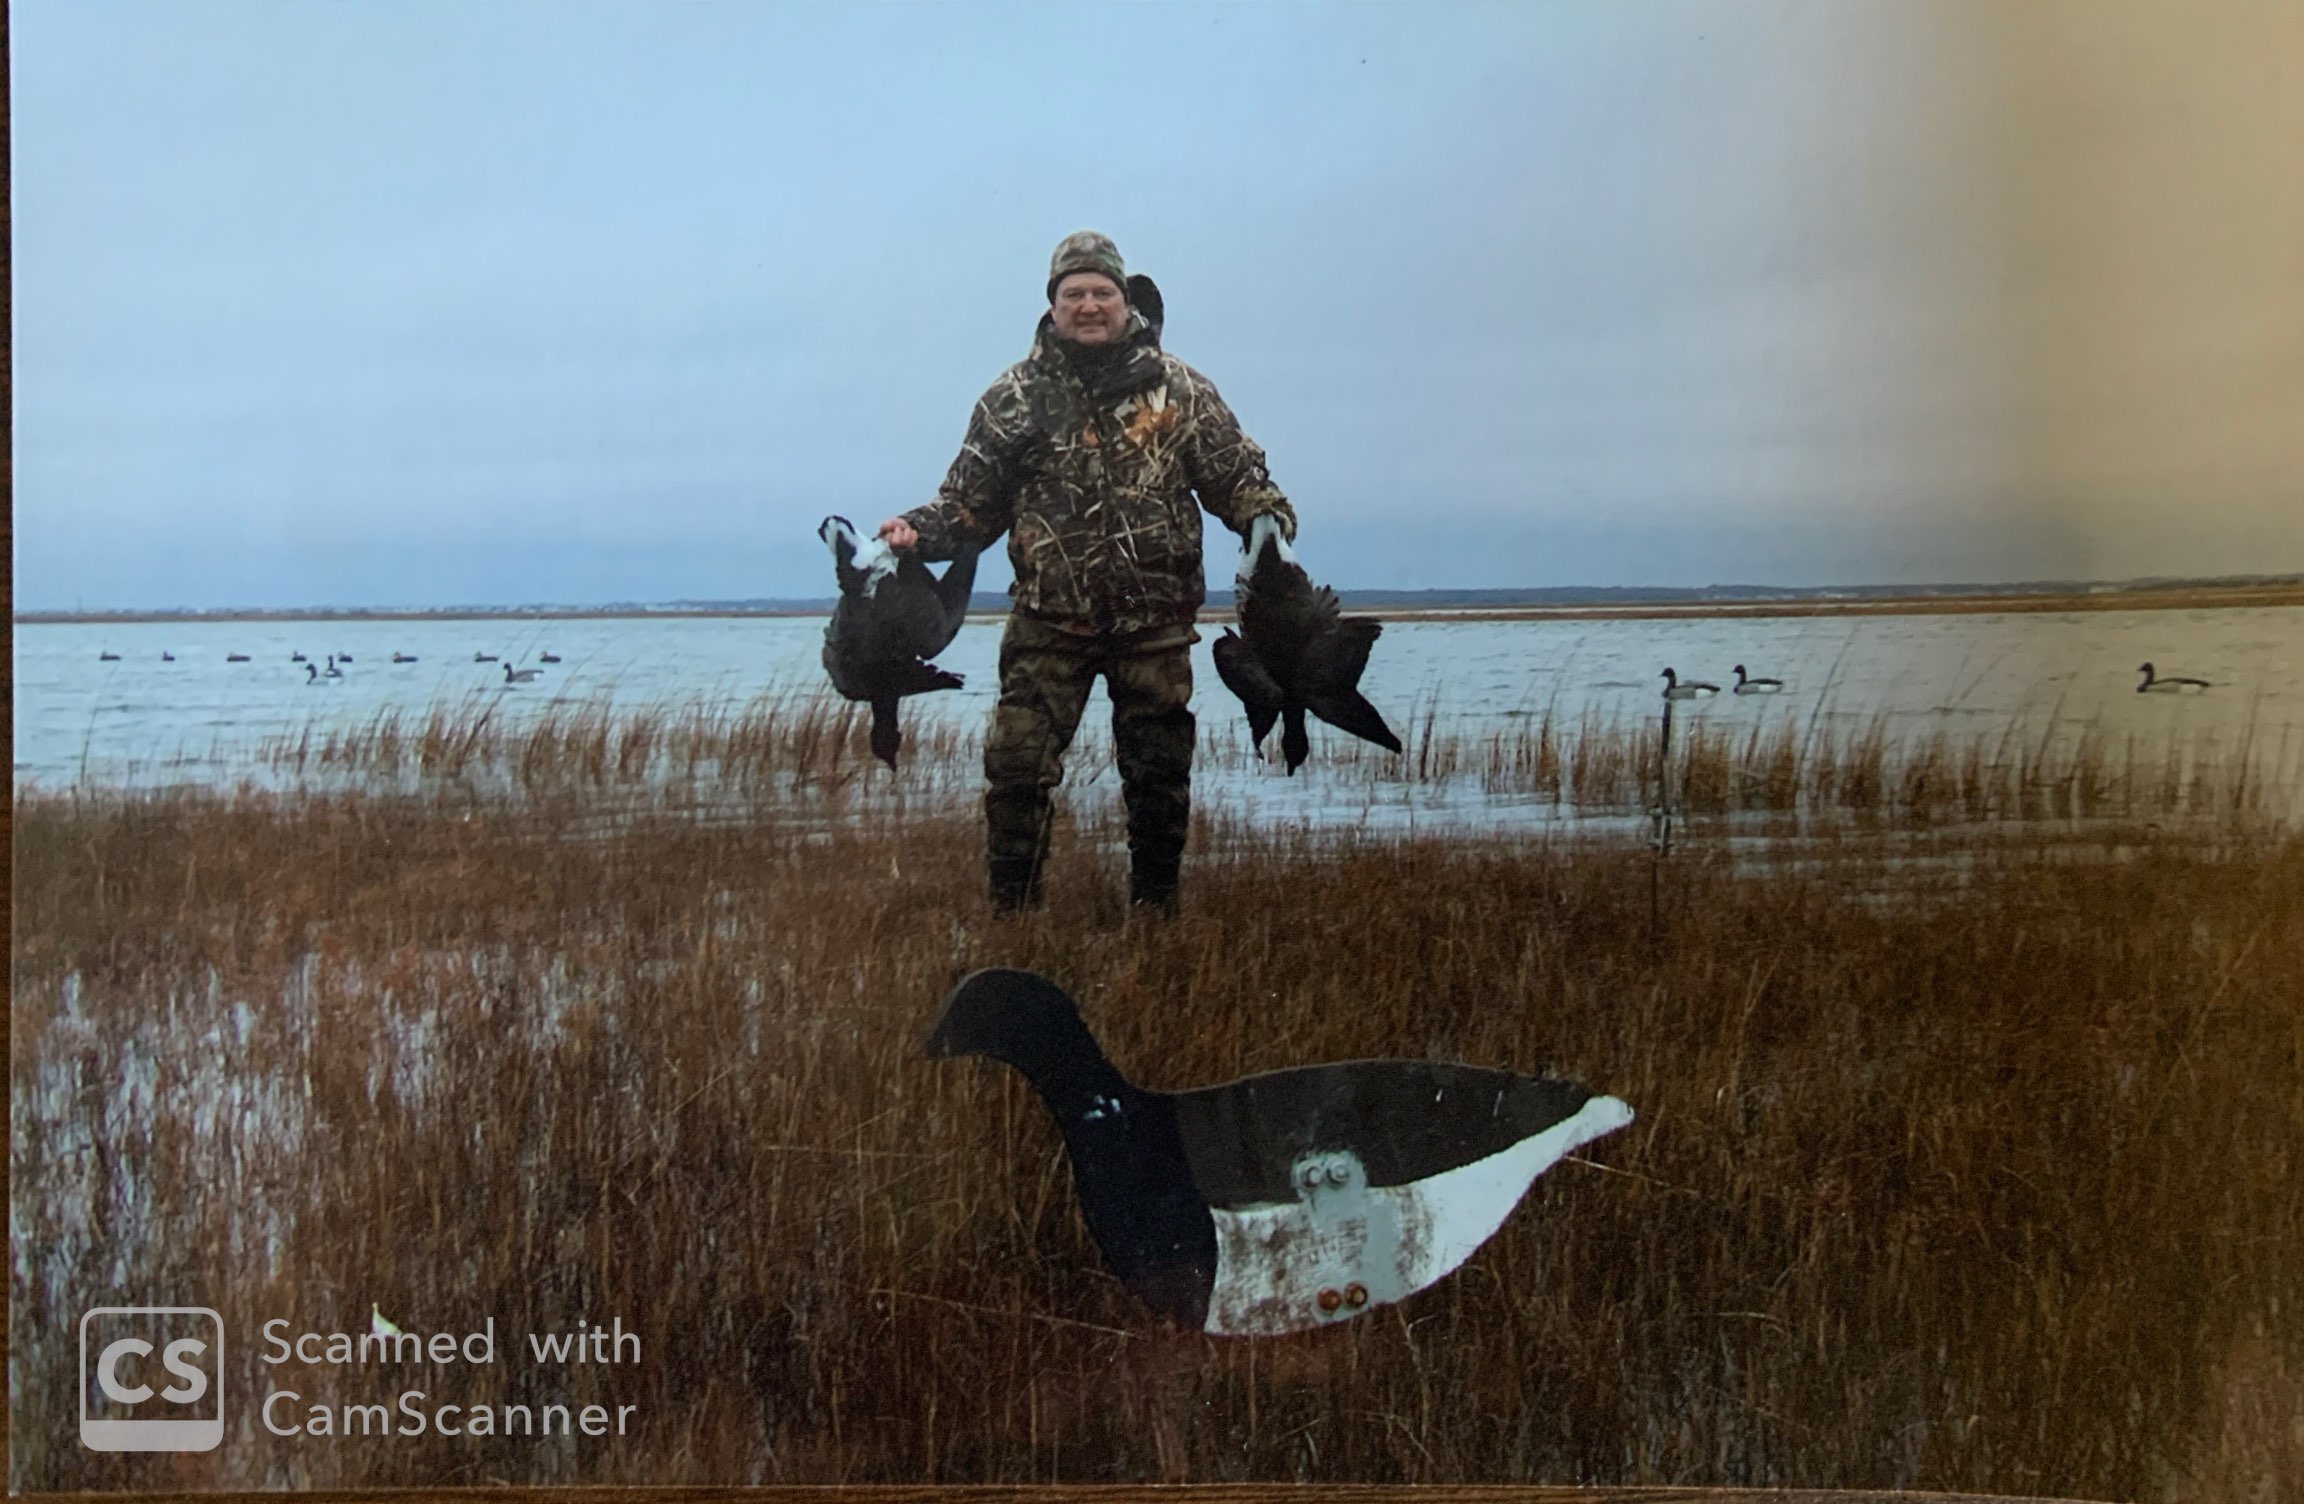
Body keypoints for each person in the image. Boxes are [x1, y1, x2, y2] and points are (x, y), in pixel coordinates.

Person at [877, 231, 1298, 914]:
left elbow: (1238, 479)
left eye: (1102, 292)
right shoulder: (1012, 397)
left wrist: (1267, 522)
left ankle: (1156, 911)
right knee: (1016, 770)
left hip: (1154, 623)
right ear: (1054, 305)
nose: (1090, 305)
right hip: (1049, 621)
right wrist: (915, 531)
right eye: (1074, 293)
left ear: (1125, 300)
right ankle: (1013, 917)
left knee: (1158, 775)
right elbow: (968, 505)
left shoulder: (1179, 388)